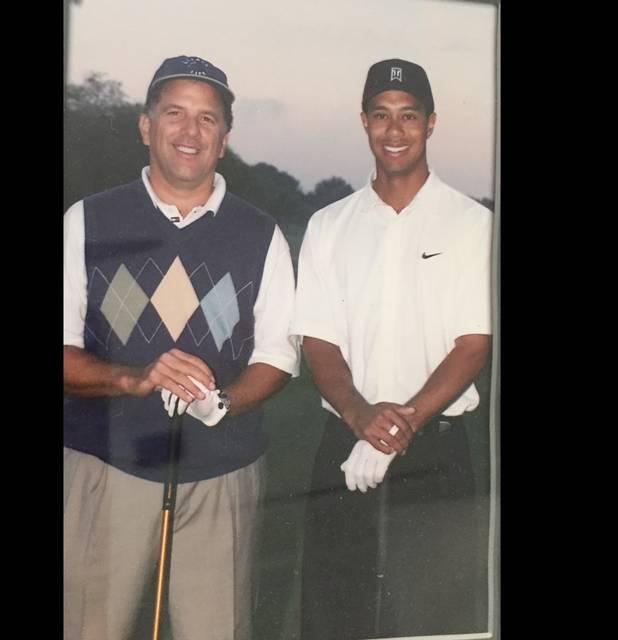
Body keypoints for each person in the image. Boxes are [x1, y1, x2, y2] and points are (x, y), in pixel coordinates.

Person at [62, 55, 299, 640]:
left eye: (207, 119)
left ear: (224, 138)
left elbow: (278, 355)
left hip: (223, 472)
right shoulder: (88, 220)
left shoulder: (261, 233)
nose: (190, 132)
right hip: (105, 466)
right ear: (146, 126)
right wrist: (132, 378)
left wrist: (222, 401)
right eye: (174, 113)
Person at [292, 58, 493, 639]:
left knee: (435, 622)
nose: (394, 130)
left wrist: (398, 426)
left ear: (431, 123)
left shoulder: (472, 223)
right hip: (344, 446)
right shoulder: (329, 224)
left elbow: (472, 344)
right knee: (335, 619)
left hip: (437, 452)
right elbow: (319, 342)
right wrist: (360, 418)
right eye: (381, 115)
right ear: (363, 122)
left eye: (408, 116)